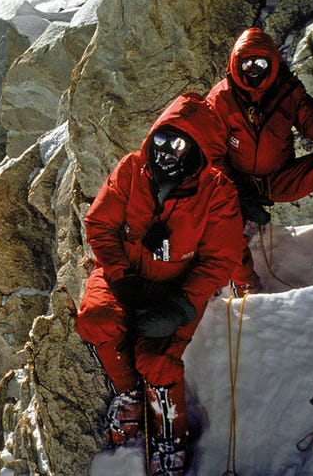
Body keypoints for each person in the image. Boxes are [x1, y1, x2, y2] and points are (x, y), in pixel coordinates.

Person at [76, 92, 242, 475]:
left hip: (177, 288)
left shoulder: (216, 192)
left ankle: (170, 439)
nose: (166, 151)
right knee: (96, 319)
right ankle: (129, 395)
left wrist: (181, 306)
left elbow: (221, 258)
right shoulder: (131, 170)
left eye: (178, 143)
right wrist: (121, 278)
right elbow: (99, 225)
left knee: (156, 361)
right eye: (161, 140)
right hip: (124, 276)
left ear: (196, 150)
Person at [207, 27, 313, 294]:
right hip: (239, 186)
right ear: (235, 63)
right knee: (217, 207)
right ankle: (241, 280)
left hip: (280, 178)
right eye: (246, 63)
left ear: (273, 63)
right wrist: (237, 191)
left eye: (261, 63)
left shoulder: (287, 92)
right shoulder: (220, 99)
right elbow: (211, 154)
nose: (253, 70)